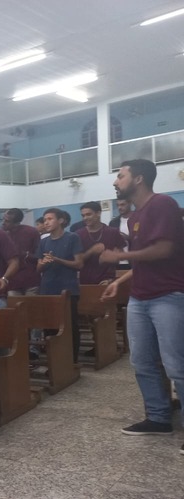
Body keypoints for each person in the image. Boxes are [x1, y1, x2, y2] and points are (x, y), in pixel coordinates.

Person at [100, 159, 184, 447]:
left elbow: (163, 249)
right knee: (142, 361)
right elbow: (144, 261)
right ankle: (159, 418)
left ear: (138, 179)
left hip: (168, 296)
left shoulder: (162, 204)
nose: (115, 182)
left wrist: (118, 257)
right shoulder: (135, 216)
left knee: (176, 364)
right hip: (140, 297)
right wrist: (120, 281)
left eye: (120, 176)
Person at [37, 208, 84, 361]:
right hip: (47, 289)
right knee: (50, 326)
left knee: (70, 326)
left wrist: (57, 260)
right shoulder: (44, 241)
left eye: (50, 219)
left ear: (61, 220)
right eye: (45, 220)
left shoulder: (72, 238)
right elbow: (38, 268)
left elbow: (79, 264)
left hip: (68, 289)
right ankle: (55, 362)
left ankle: (72, 361)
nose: (46, 222)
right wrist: (44, 263)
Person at [1, 208, 42, 359]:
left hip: (30, 278)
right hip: (13, 281)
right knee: (16, 315)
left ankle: (34, 347)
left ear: (16, 222)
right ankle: (19, 346)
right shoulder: (3, 235)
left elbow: (39, 255)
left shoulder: (31, 232)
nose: (4, 223)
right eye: (4, 219)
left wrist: (26, 255)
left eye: (7, 221)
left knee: (33, 312)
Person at [76, 201, 124, 285]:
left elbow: (120, 254)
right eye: (83, 215)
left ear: (98, 213)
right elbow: (77, 262)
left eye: (88, 214)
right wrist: (91, 251)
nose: (85, 218)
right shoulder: (78, 235)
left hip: (108, 280)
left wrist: (114, 256)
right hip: (86, 282)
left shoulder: (113, 232)